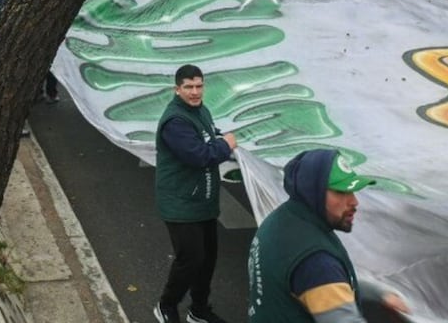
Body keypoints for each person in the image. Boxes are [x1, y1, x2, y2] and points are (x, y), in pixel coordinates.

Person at [247, 149, 410, 323]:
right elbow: (323, 280)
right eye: (341, 192)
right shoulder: (316, 261)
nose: (354, 201)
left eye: (352, 191)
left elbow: (324, 286)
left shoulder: (283, 219)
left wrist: (378, 294)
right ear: (313, 192)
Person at [154, 64, 237, 323]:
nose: (194, 92)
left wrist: (222, 138)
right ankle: (166, 305)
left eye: (199, 86)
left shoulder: (201, 110)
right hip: (181, 204)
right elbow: (199, 155)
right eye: (188, 87)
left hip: (203, 202)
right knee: (190, 259)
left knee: (207, 259)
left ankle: (198, 310)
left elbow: (208, 136)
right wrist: (226, 145)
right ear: (177, 89)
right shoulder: (175, 121)